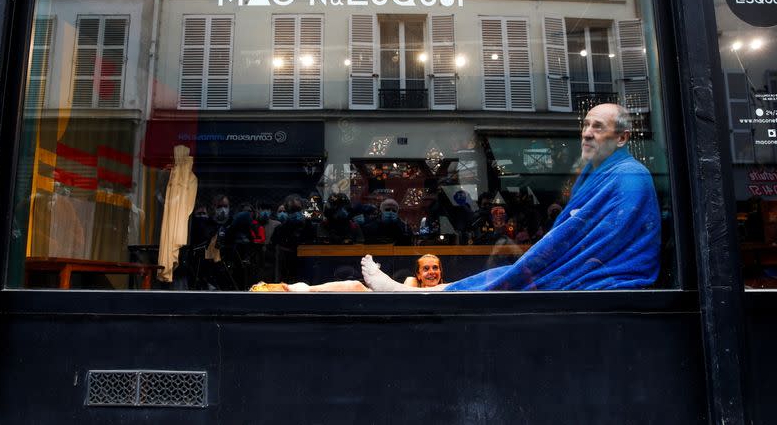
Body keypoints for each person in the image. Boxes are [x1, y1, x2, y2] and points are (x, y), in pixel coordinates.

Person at [360, 103, 661, 291]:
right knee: (503, 275)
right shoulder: (600, 173)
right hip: (585, 268)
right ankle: (419, 292)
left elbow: (582, 234)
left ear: (622, 138)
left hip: (601, 277)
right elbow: (575, 229)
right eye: (585, 124)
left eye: (598, 127)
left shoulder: (629, 177)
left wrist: (533, 259)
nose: (586, 133)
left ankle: (417, 292)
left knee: (507, 277)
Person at [250, 254, 445, 292]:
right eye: (426, 268)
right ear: (418, 274)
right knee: (355, 285)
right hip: (382, 298)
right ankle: (294, 289)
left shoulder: (449, 287)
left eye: (435, 268)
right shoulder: (412, 281)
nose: (431, 272)